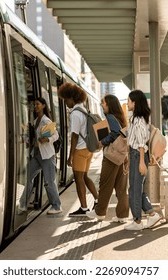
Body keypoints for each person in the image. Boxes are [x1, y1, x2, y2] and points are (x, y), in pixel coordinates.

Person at [86, 94, 129, 222]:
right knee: (121, 187)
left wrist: (103, 142)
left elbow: (115, 133)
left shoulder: (110, 117)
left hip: (111, 156)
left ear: (109, 104)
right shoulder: (120, 117)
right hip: (122, 157)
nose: (101, 105)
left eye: (103, 103)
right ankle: (122, 216)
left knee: (105, 184)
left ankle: (99, 212)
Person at [58, 83, 98, 216]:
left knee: (79, 179)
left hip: (80, 150)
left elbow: (74, 136)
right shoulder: (83, 110)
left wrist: (70, 156)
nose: (65, 103)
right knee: (85, 177)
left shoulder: (75, 113)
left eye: (65, 100)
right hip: (88, 149)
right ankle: (98, 200)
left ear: (71, 98)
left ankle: (84, 208)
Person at [18, 97, 62, 215]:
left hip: (47, 155)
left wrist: (48, 139)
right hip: (37, 154)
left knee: (49, 181)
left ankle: (56, 206)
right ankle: (22, 204)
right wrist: (24, 139)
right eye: (34, 104)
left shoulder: (46, 120)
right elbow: (34, 137)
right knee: (28, 178)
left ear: (43, 105)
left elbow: (56, 135)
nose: (35, 106)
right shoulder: (36, 120)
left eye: (37, 104)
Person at [125, 89, 161, 230]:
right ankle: (151, 214)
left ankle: (138, 221)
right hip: (134, 155)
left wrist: (140, 162)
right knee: (135, 188)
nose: (127, 103)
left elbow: (141, 143)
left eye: (128, 100)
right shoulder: (136, 118)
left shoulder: (138, 120)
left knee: (135, 189)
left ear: (134, 102)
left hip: (138, 155)